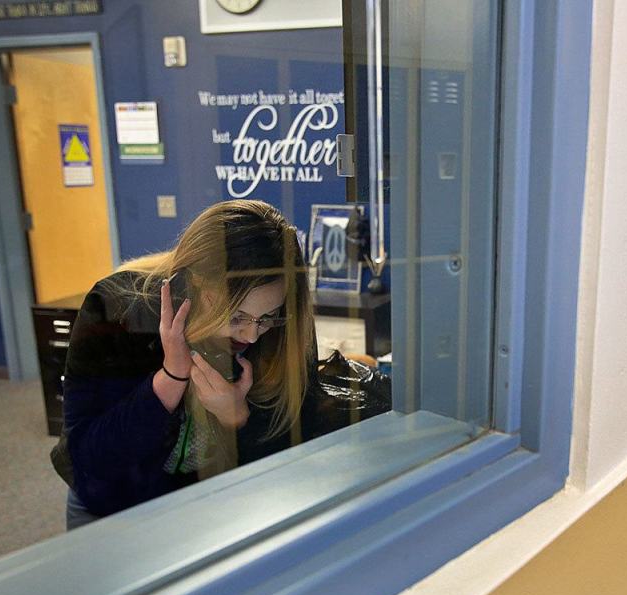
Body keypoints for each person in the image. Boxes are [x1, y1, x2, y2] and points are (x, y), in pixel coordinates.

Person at [52, 199, 390, 529]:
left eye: (267, 316)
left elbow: (287, 454)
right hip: (111, 509)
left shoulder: (284, 328)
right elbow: (88, 460)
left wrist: (236, 418)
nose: (252, 335)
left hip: (199, 509)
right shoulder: (119, 310)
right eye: (237, 316)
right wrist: (169, 380)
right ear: (189, 287)